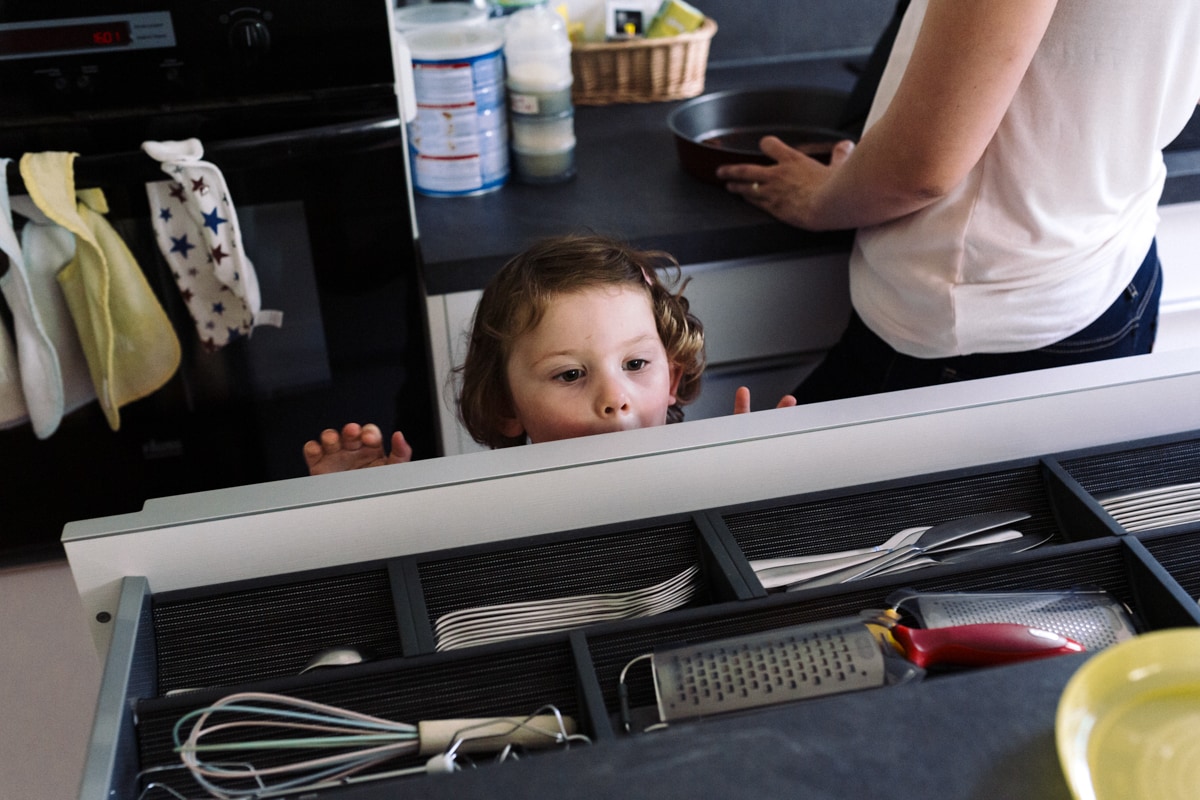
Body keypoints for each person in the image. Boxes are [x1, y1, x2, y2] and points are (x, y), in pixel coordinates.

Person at [716, 0, 1200, 403]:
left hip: (979, 311)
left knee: (774, 511)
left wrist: (818, 199)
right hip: (1110, 260)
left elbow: (923, 168)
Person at [304, 233, 795, 474]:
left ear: (672, 381)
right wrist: (370, 508)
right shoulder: (481, 511)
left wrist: (756, 485)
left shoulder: (716, 473)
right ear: (506, 407)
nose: (614, 398)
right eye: (570, 374)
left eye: (636, 365)